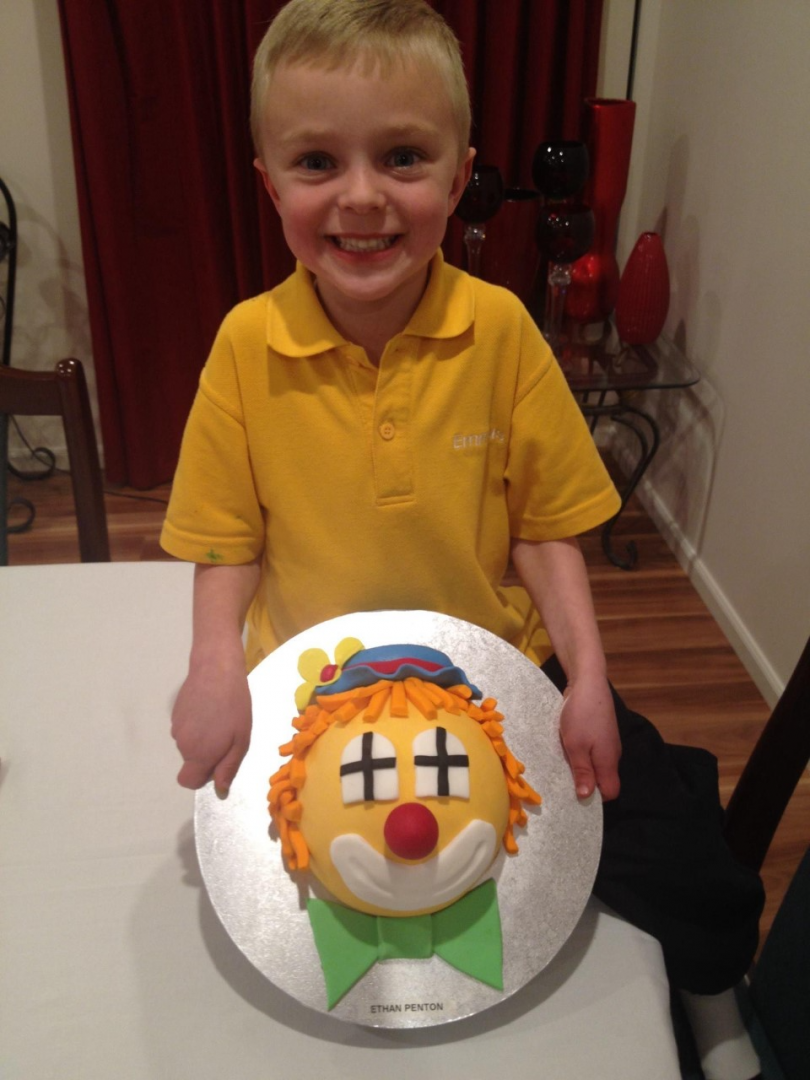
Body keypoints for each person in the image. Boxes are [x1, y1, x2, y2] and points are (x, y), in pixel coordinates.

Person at [161, 0, 763, 1011]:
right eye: (317, 164)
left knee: (673, 849)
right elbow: (228, 542)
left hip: (502, 676)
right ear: (269, 185)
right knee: (314, 904)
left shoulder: (505, 330)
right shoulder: (242, 346)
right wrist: (216, 666)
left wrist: (590, 676)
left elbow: (542, 527)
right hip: (316, 695)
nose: (362, 199)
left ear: (457, 172)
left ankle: (707, 994)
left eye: (401, 156)